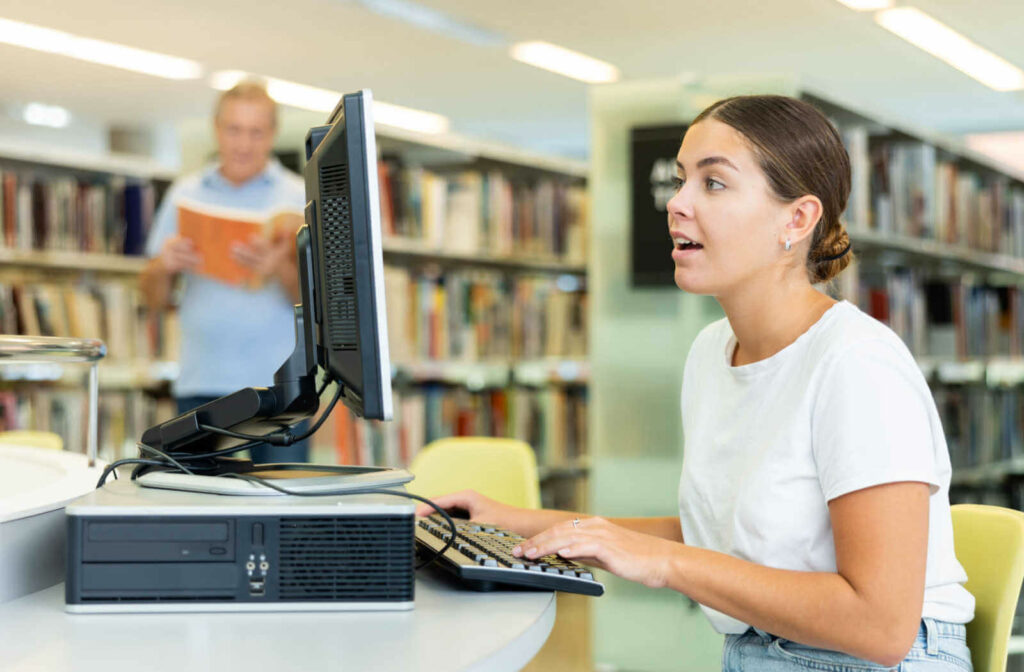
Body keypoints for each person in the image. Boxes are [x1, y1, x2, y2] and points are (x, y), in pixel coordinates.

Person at [417, 95, 975, 671]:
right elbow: (728, 536)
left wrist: (661, 564)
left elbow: (880, 626)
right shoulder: (713, 351)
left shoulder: (858, 364)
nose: (676, 203)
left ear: (797, 219)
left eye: (713, 184)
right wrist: (509, 520)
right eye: (682, 179)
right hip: (761, 651)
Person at [140, 81, 310, 464]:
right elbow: (152, 298)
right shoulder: (185, 193)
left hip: (279, 386)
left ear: (272, 134)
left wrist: (280, 266)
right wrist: (164, 267)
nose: (244, 144)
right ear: (217, 129)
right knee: (198, 505)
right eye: (234, 130)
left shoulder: (298, 194)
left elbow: (316, 302)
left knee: (285, 508)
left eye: (256, 132)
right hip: (201, 379)